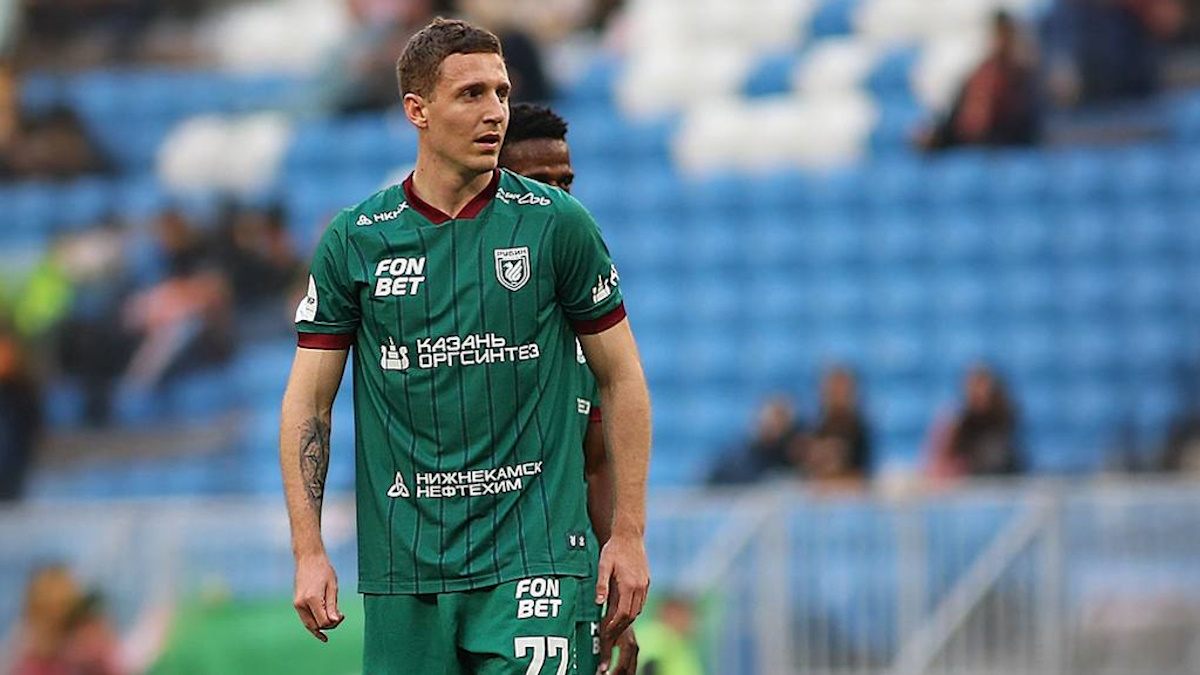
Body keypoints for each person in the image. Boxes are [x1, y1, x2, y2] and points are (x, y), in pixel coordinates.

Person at [279, 17, 652, 675]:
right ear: (417, 110)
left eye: (502, 93)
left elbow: (621, 379)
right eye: (472, 94)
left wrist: (628, 535)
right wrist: (308, 551)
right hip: (406, 570)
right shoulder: (356, 239)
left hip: (536, 558)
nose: (496, 111)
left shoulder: (558, 225)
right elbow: (308, 403)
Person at [499, 101, 638, 675]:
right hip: (457, 574)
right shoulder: (456, 306)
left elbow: (597, 466)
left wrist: (617, 604)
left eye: (566, 182)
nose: (559, 198)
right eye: (540, 183)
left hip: (557, 579)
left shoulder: (587, 320)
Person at [916, 10, 1040, 151]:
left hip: (1001, 144)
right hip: (965, 142)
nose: (1000, 41)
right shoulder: (979, 74)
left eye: (1005, 35)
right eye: (997, 35)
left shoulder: (1021, 77)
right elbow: (955, 115)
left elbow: (1026, 122)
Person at [927, 364, 1022, 479]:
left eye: (982, 386)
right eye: (974, 387)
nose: (978, 393)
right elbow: (940, 460)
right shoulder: (960, 423)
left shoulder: (1002, 418)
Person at [801, 366, 870, 487]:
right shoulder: (814, 428)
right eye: (833, 389)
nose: (837, 394)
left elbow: (864, 475)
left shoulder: (860, 430)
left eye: (841, 389)